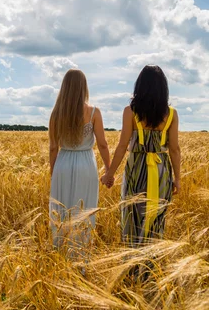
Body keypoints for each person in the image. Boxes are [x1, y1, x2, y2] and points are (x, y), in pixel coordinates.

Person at [101, 65, 180, 248]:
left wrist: (110, 174)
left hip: (137, 169)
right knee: (156, 217)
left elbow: (122, 146)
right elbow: (175, 149)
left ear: (140, 86)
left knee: (133, 214)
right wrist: (178, 179)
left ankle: (132, 265)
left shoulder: (130, 112)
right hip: (162, 171)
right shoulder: (171, 114)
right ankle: (151, 266)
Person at [49, 69, 110, 261]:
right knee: (83, 210)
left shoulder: (56, 114)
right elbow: (102, 144)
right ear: (84, 87)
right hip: (86, 163)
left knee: (62, 210)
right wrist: (109, 170)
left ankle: (60, 255)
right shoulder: (93, 112)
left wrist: (54, 173)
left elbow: (53, 147)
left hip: (63, 163)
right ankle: (80, 256)